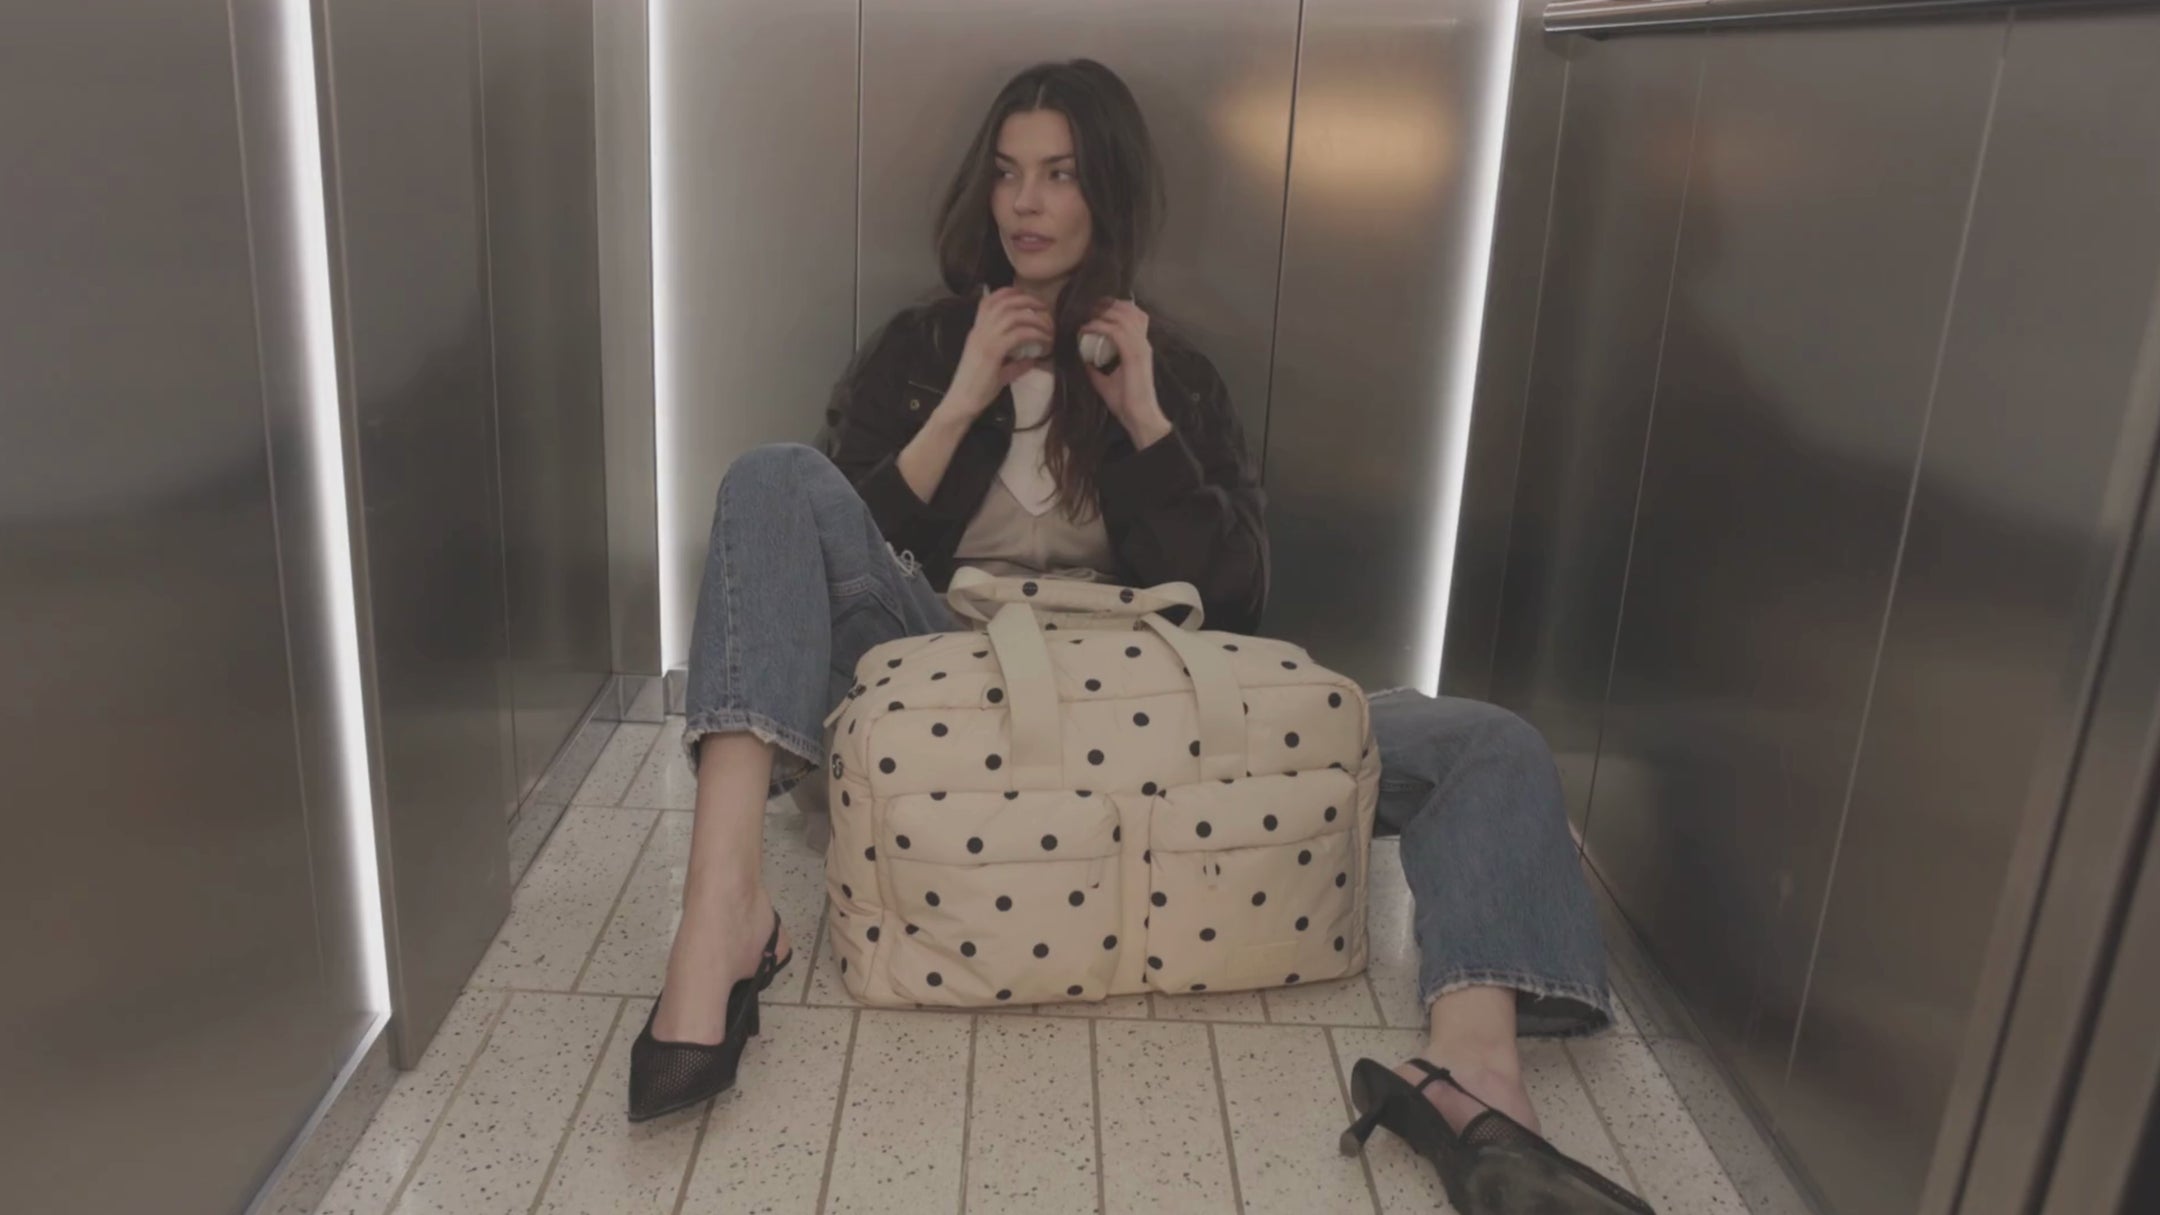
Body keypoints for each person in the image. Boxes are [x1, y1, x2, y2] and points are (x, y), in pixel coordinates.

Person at [635, 57, 1645, 1213]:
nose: (1026, 202)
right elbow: (828, 560)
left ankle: (1473, 1077)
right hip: (945, 679)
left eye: (1061, 174)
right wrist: (961, 397)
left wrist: (1148, 423)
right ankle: (723, 914)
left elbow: (1237, 603)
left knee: (1487, 742)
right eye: (1009, 173)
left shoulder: (1174, 371)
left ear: (1106, 192)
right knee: (770, 476)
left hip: (1146, 702)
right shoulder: (920, 348)